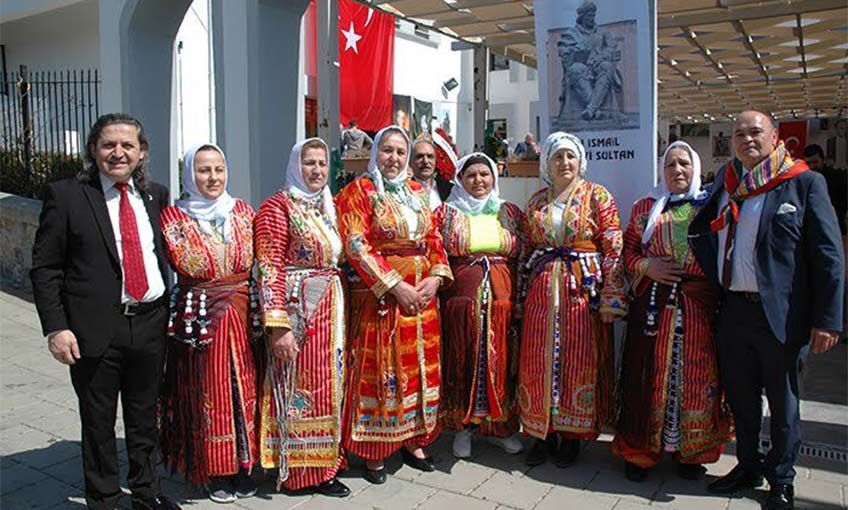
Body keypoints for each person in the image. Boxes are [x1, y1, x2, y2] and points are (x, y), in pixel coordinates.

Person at [689, 111, 844, 510]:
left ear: (776, 137)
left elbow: (828, 256)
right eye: (739, 133)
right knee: (741, 400)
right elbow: (701, 230)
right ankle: (748, 467)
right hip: (734, 312)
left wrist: (828, 319)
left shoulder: (804, 183)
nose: (746, 139)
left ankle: (782, 479)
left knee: (784, 404)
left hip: (782, 316)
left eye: (755, 131)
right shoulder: (725, 185)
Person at [30, 113, 181, 510]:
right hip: (96, 326)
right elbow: (46, 268)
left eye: (127, 145)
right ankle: (104, 498)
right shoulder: (66, 196)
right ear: (93, 151)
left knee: (145, 415)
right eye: (109, 145)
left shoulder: (156, 195)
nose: (118, 153)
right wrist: (56, 328)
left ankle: (147, 492)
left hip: (149, 321)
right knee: (98, 420)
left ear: (142, 152)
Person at [336, 125, 453, 484]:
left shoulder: (419, 192)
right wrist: (395, 286)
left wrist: (436, 277)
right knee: (384, 370)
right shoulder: (360, 191)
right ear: (376, 153)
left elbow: (433, 238)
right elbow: (356, 244)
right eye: (387, 151)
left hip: (422, 297)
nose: (395, 159)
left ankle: (414, 440)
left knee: (419, 370)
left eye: (400, 152)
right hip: (382, 297)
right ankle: (375, 450)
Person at [610, 141, 732, 482]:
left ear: (695, 167)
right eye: (670, 165)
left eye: (684, 164)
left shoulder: (711, 205)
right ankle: (640, 451)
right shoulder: (645, 207)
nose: (677, 171)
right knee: (646, 374)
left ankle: (691, 452)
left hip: (698, 307)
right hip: (654, 306)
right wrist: (648, 266)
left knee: (695, 376)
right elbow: (628, 252)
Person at [517, 131, 626, 468]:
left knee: (578, 358)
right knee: (539, 359)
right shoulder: (536, 201)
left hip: (583, 289)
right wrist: (521, 296)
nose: (564, 163)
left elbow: (613, 244)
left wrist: (611, 297)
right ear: (546, 163)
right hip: (542, 290)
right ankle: (540, 431)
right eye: (557, 157)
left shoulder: (597, 196)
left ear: (580, 161)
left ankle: (572, 435)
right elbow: (526, 248)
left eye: (570, 157)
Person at [158, 144, 260, 503]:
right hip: (202, 314)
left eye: (218, 169)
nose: (213, 178)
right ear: (189, 174)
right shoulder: (175, 217)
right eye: (203, 170)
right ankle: (214, 469)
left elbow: (252, 260)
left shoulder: (244, 212)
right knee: (209, 390)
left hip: (242, 311)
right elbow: (191, 262)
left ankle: (244, 462)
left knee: (243, 386)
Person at [254, 138, 351, 498]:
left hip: (331, 307)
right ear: (296, 165)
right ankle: (299, 472)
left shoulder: (328, 206)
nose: (316, 170)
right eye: (309, 163)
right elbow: (268, 267)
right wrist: (278, 327)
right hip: (300, 311)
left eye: (322, 164)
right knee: (300, 384)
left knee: (329, 384)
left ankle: (326, 462)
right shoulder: (277, 208)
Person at [434, 152, 528, 459]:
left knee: (501, 361)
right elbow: (435, 255)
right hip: (462, 301)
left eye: (484, 175)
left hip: (501, 299)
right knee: (465, 360)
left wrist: (522, 298)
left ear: (494, 178)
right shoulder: (446, 214)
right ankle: (463, 428)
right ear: (460, 180)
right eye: (471, 175)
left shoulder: (510, 212)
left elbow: (525, 254)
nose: (479, 181)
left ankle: (501, 428)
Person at [804, 144, 847, 236]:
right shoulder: (803, 179)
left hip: (835, 227)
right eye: (808, 163)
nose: (811, 166)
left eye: (815, 162)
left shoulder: (837, 178)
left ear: (823, 160)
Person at [410, 138, 454, 209]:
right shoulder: (405, 190)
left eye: (430, 156)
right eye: (420, 156)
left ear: (435, 161)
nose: (425, 161)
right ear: (410, 162)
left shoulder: (450, 190)